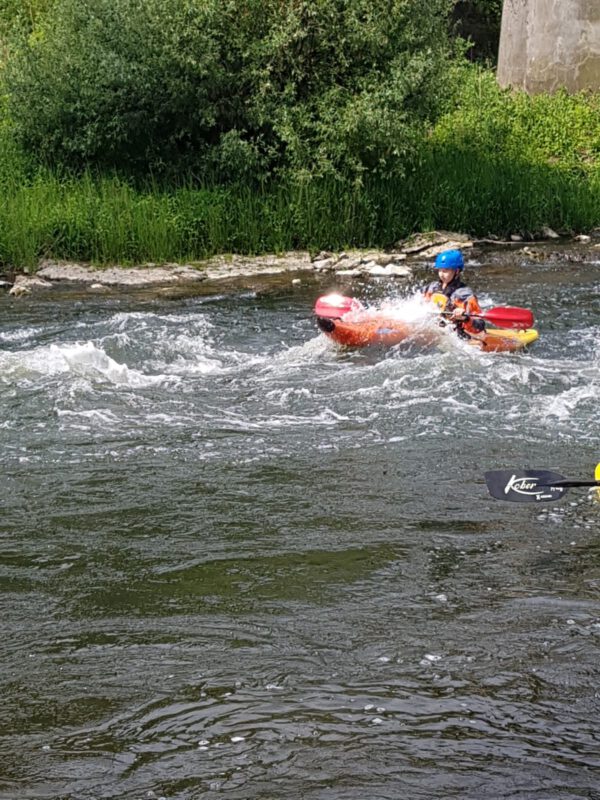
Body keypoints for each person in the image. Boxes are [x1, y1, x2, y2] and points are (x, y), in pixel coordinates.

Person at [421, 249, 486, 340]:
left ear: (457, 271)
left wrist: (465, 318)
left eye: (446, 271)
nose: (441, 274)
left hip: (458, 338)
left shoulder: (465, 296)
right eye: (440, 270)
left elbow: (480, 325)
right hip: (435, 330)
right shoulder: (432, 288)